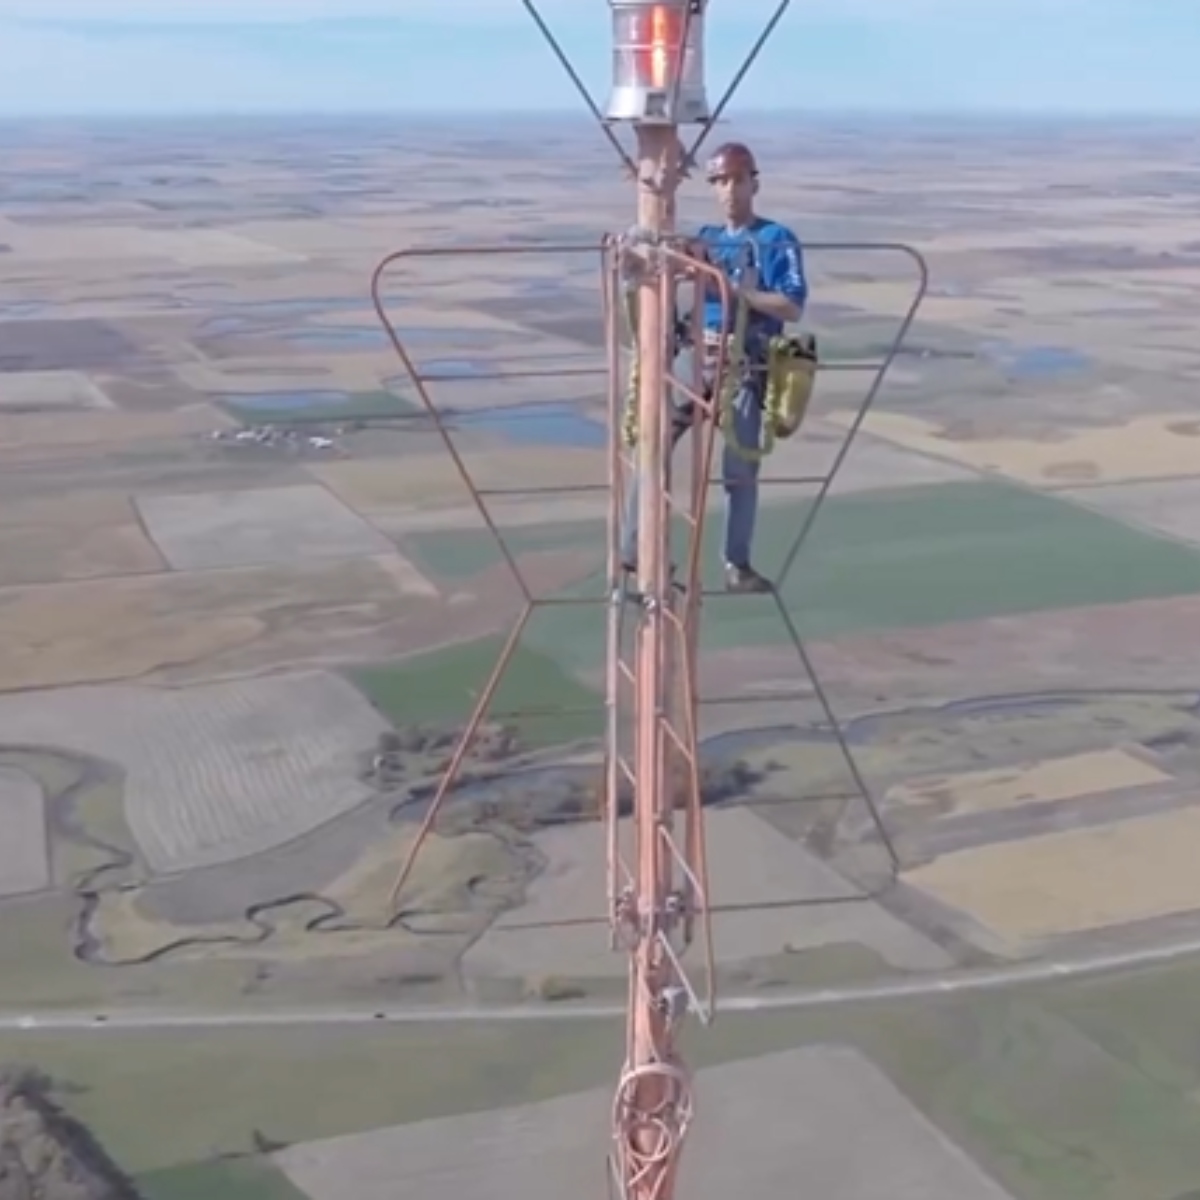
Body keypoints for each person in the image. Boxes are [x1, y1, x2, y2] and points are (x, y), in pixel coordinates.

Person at [620, 141, 808, 594]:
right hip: (695, 358)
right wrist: (640, 249)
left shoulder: (775, 240)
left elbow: (791, 305)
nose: (728, 191)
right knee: (652, 446)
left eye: (736, 181)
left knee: (739, 470)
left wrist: (735, 294)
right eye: (720, 182)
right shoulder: (706, 239)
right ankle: (636, 554)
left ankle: (736, 564)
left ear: (753, 183)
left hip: (743, 363)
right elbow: (670, 261)